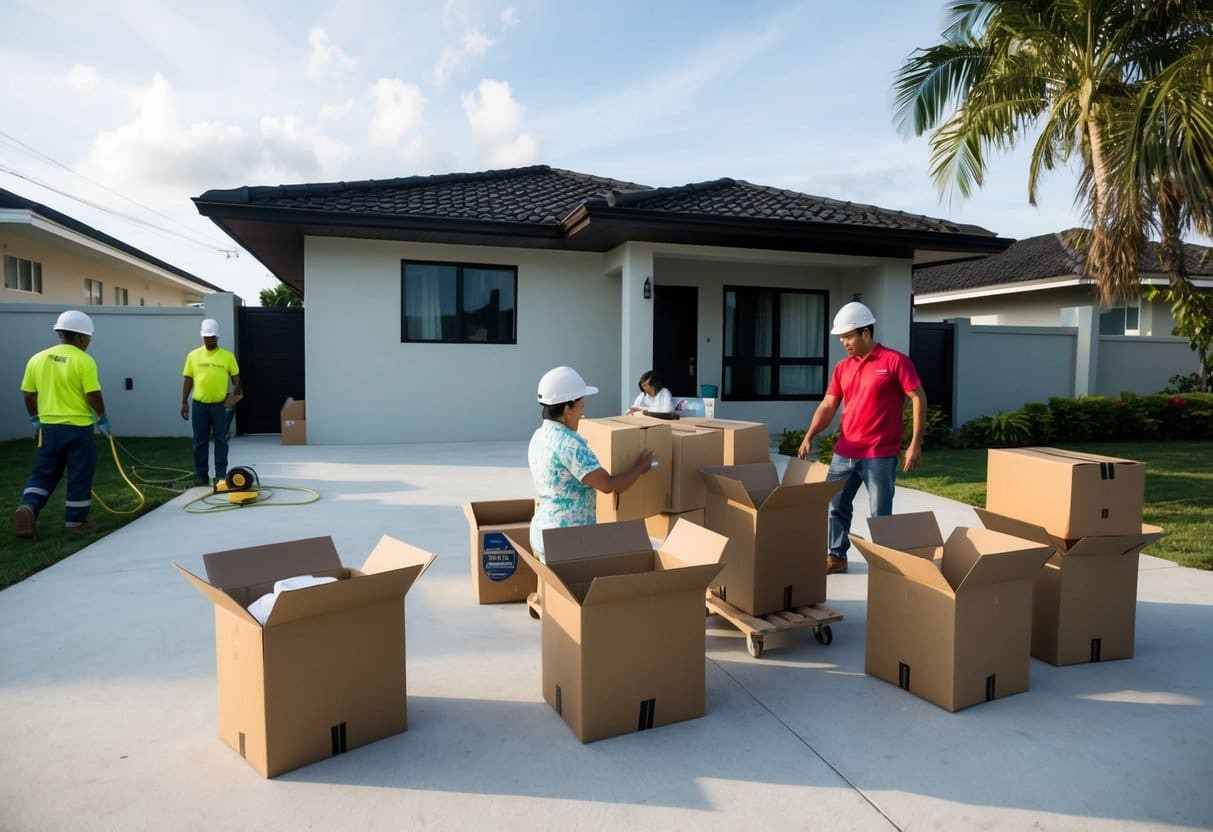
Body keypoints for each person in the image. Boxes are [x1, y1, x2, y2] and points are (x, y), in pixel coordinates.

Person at [797, 302, 925, 575]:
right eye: (841, 337)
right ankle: (836, 556)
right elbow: (828, 405)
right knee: (835, 506)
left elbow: (918, 398)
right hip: (845, 452)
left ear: (866, 333)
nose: (844, 342)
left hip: (879, 454)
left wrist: (915, 444)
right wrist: (810, 435)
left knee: (880, 514)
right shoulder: (842, 368)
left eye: (848, 336)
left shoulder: (895, 361)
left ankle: (884, 565)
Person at [528, 366, 656, 562]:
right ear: (567, 409)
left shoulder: (539, 435)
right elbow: (607, 485)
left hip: (542, 533)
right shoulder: (570, 442)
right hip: (567, 542)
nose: (582, 413)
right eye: (581, 407)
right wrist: (641, 467)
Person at [15, 310, 109, 539]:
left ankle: (28, 507)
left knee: (43, 472)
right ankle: (76, 522)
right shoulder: (84, 360)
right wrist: (102, 417)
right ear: (79, 337)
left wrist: (35, 419)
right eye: (88, 337)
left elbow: (28, 394)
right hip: (78, 429)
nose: (89, 342)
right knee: (79, 473)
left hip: (48, 429)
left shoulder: (36, 359)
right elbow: (93, 394)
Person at [181, 319, 242, 487]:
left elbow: (236, 379)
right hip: (199, 405)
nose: (209, 340)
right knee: (200, 441)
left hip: (220, 406)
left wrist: (232, 400)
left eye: (212, 337)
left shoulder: (227, 356)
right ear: (202, 337)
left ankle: (220, 476)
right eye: (206, 337)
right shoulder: (193, 355)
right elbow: (188, 379)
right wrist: (184, 402)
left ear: (217, 337)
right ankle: (202, 476)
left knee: (221, 440)